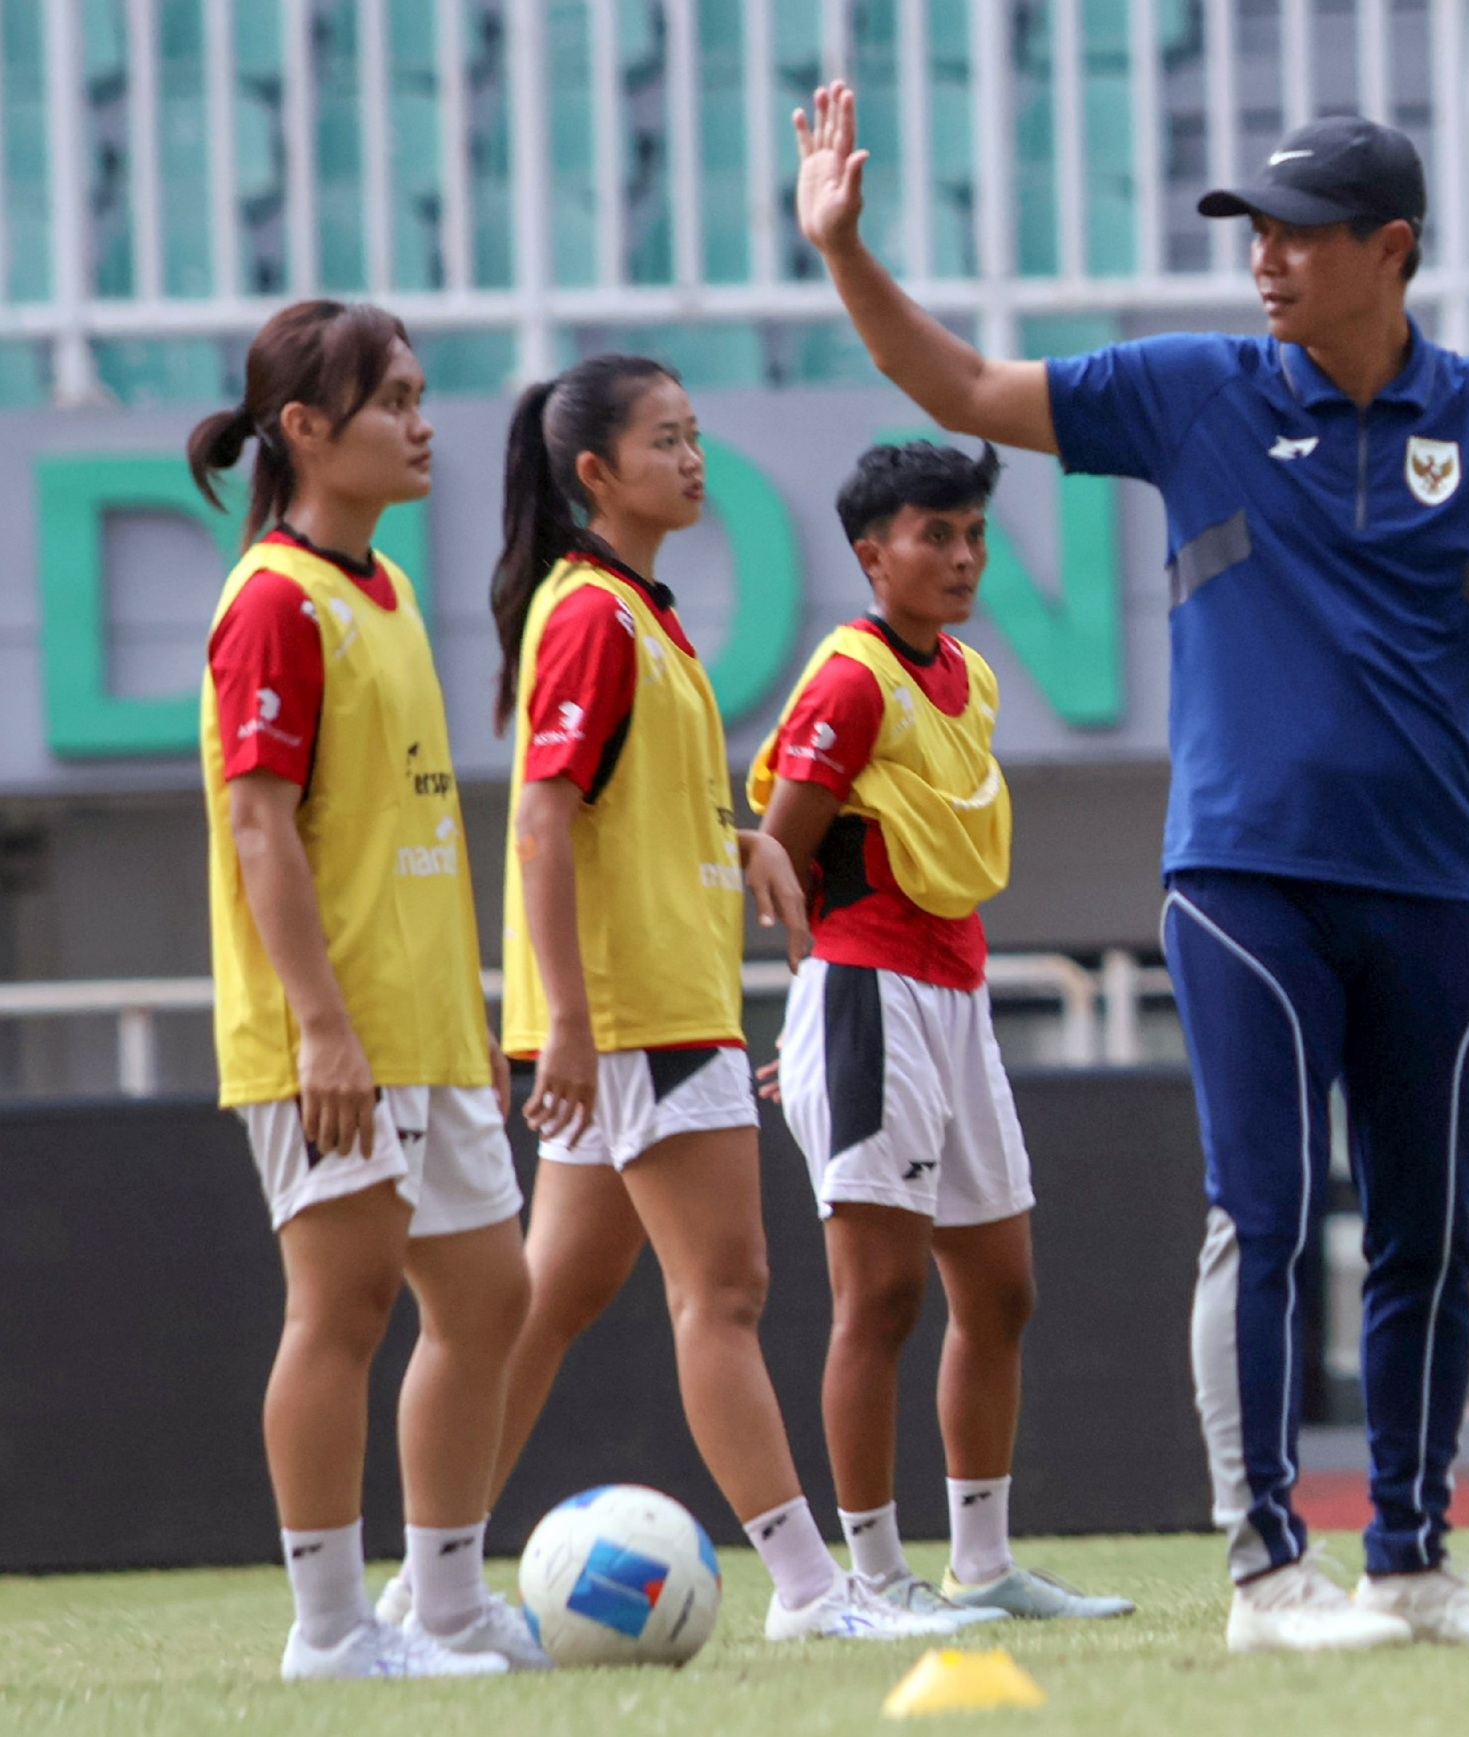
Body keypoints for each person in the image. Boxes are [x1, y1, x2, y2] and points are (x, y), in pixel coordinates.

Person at [791, 88, 1469, 1651]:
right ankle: (1270, 1572)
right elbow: (944, 378)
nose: (1263, 260)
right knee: (1264, 1214)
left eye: (1295, 234)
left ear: (1390, 248)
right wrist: (842, 248)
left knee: (1427, 1228)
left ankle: (1412, 1563)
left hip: (1436, 879)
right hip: (1241, 878)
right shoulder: (1188, 392)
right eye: (1252, 233)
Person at [449, 353, 952, 1645]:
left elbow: (620, 815)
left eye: (694, 433)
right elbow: (544, 822)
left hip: (644, 1010)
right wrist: (561, 1019)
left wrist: (742, 843)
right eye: (665, 439)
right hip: (642, 1019)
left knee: (547, 1299)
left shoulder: (638, 612)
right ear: (595, 474)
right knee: (722, 1293)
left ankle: (428, 1586)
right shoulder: (593, 616)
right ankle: (809, 1590)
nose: (693, 457)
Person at [191, 299, 546, 1679]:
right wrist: (322, 1029)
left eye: (419, 392)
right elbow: (258, 828)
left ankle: (444, 1603)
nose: (422, 421)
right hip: (327, 1034)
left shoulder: (383, 590)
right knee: (338, 1316)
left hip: (431, 1026)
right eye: (393, 398)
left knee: (488, 1299)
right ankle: (329, 1632)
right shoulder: (273, 601)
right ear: (304, 430)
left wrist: (469, 1020)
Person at [749, 440, 1135, 1626]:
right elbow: (779, 853)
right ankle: (872, 1578)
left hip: (955, 999)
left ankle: (983, 1562)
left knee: (1001, 1290)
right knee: (881, 1302)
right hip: (872, 996)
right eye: (935, 535)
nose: (962, 557)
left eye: (972, 534)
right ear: (872, 555)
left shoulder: (967, 671)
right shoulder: (852, 678)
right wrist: (815, 1019)